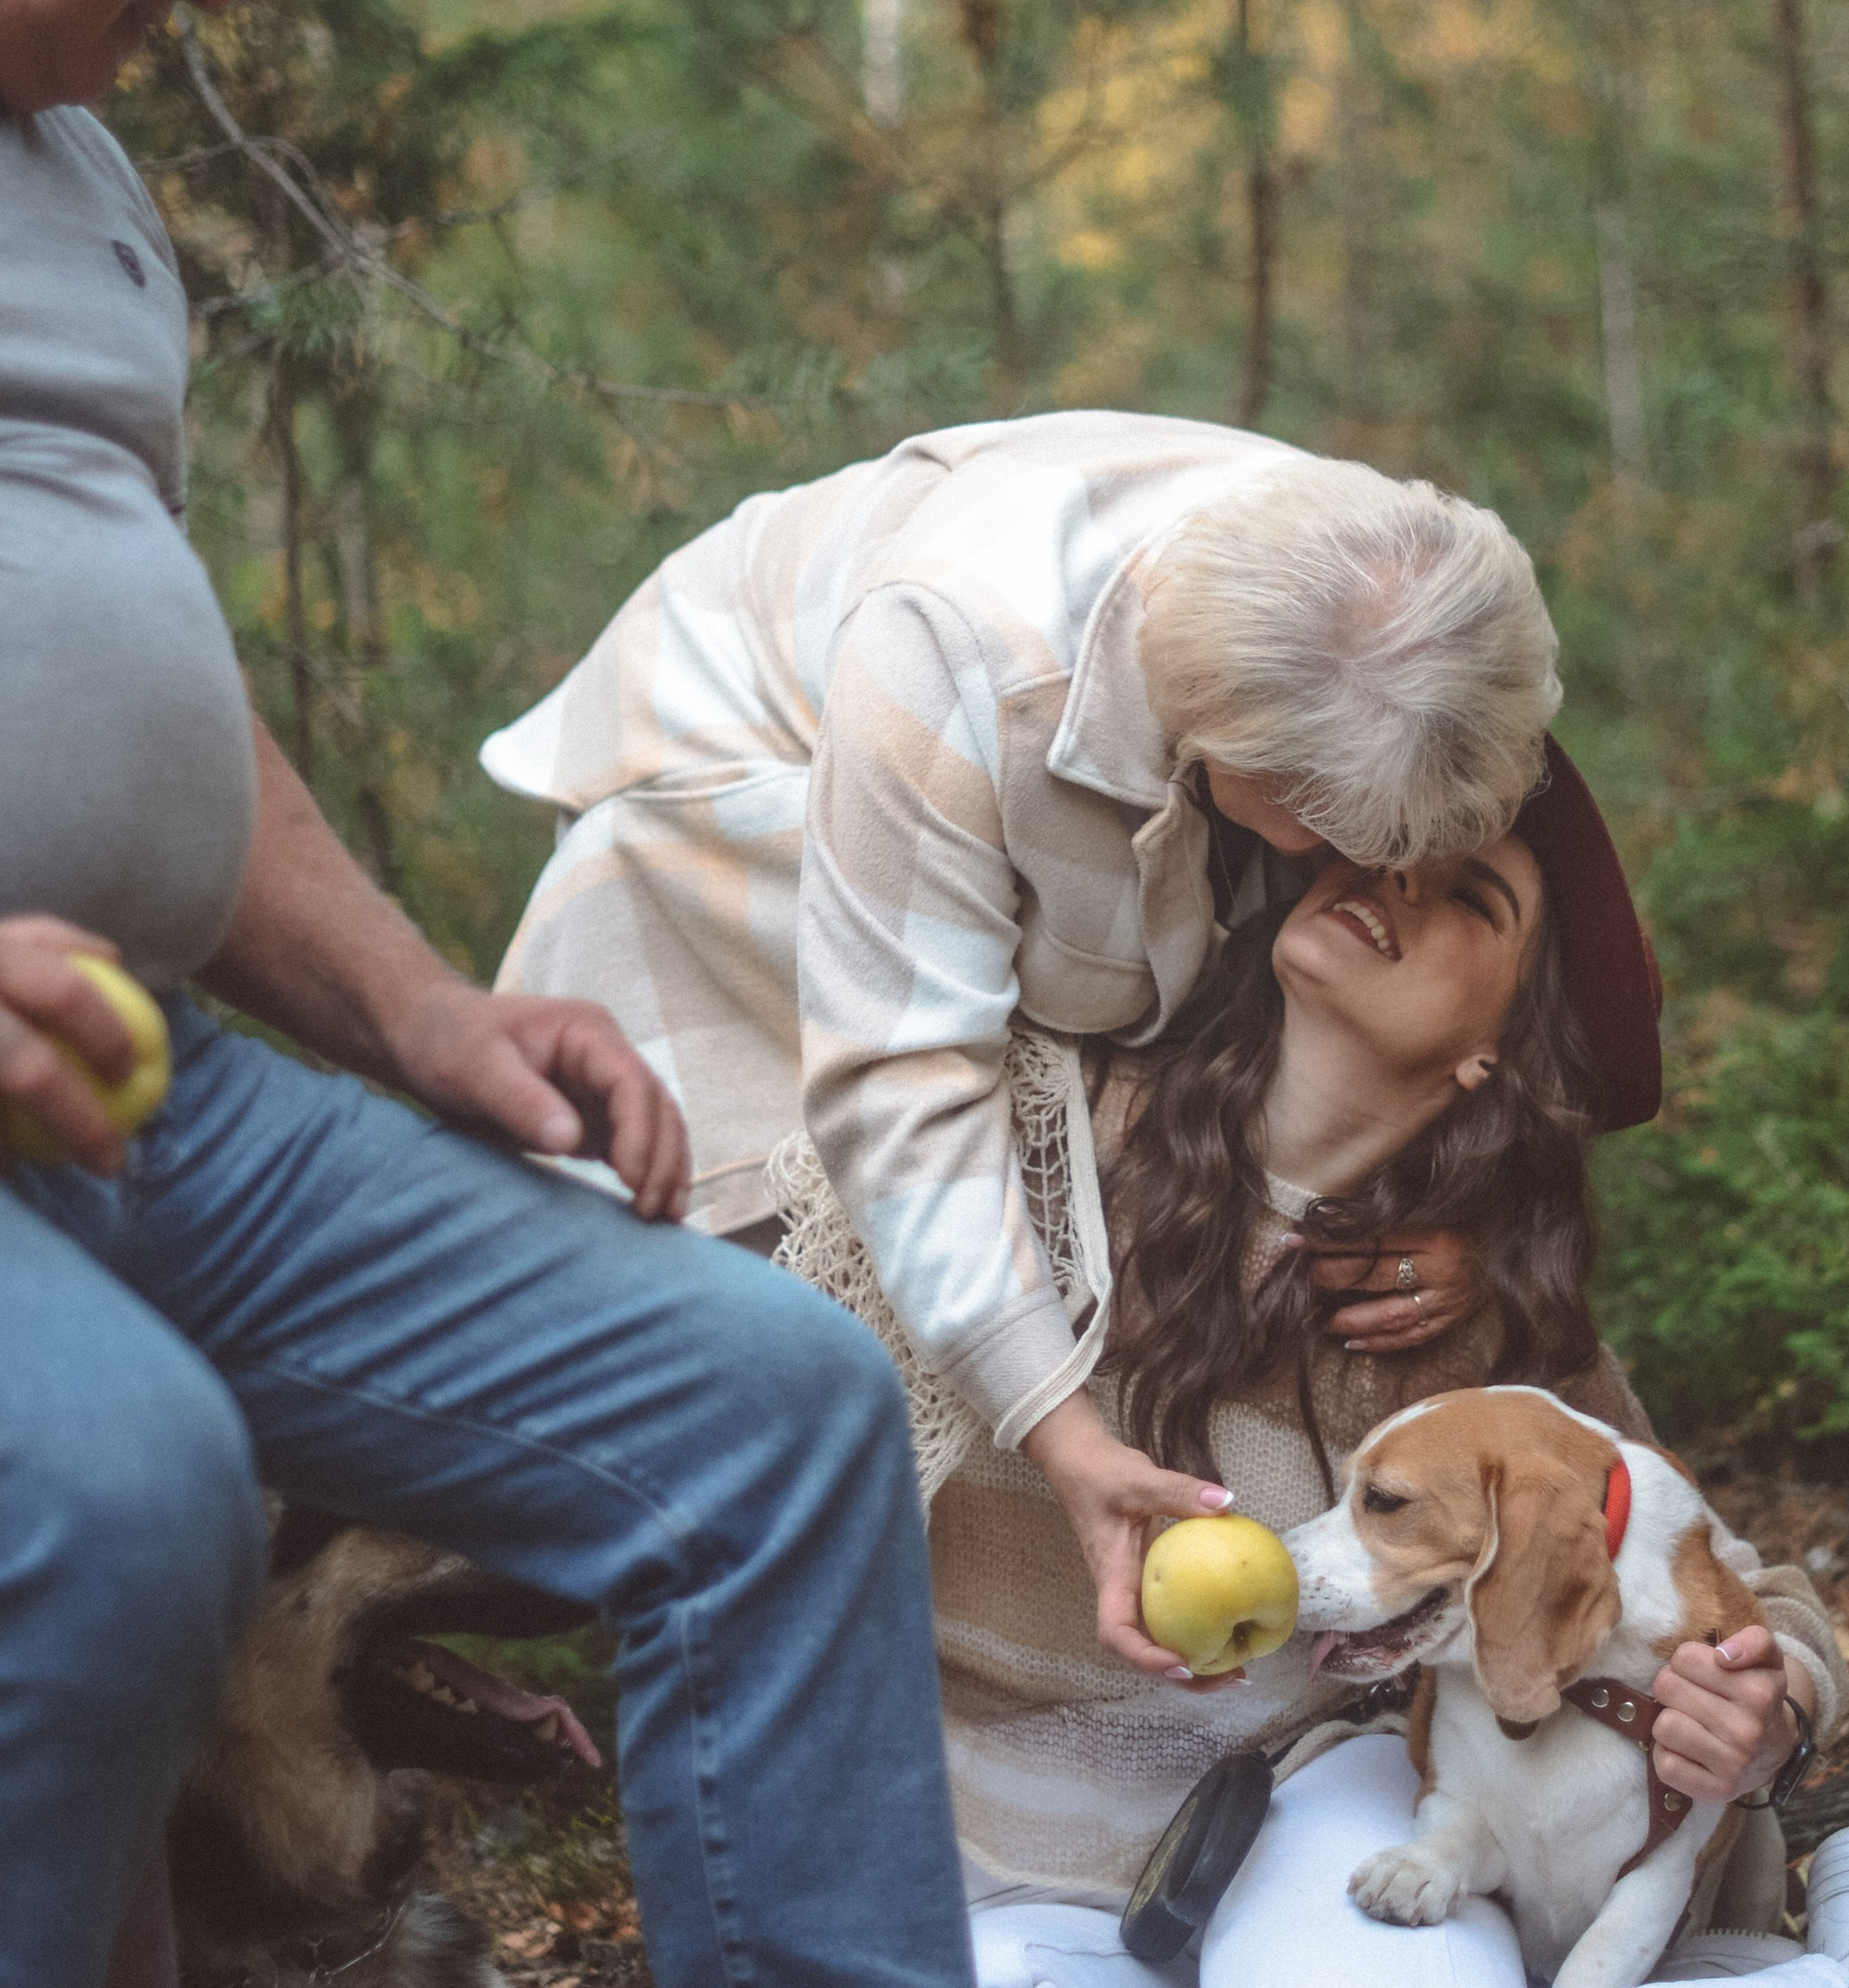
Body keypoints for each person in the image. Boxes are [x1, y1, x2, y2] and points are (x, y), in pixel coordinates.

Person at [0, 0, 1269, 1988]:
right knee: (122, 1492)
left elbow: (137, 665)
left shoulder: (71, 184)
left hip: (143, 1091)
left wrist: (424, 1004)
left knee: (759, 1394)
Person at [774, 745, 1849, 1988]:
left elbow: (1744, 1589)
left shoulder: (1478, 1339)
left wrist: (1775, 1705)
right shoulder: (1010, 1156)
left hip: (1319, 1830)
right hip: (1026, 1882)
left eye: (1468, 895)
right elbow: (779, 1466)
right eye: (1373, 852)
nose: (1390, 887)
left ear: (1499, 1045)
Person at [484, 411, 1580, 1672]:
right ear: (1223, 737)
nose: (1368, 878)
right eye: (1329, 830)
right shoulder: (959, 648)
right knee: (766, 1349)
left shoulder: (1401, 600)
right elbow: (902, 1076)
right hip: (732, 808)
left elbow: (1522, 970)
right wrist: (1056, 1424)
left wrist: (1473, 1222)